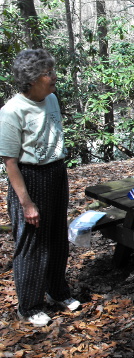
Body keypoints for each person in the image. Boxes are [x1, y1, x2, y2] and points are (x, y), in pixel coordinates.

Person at [0, 49, 80, 327]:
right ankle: (29, 306)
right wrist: (27, 203)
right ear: (32, 79)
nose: (53, 77)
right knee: (32, 244)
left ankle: (57, 291)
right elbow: (10, 162)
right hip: (30, 177)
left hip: (56, 172)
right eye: (48, 73)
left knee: (57, 236)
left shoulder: (52, 99)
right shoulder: (12, 111)